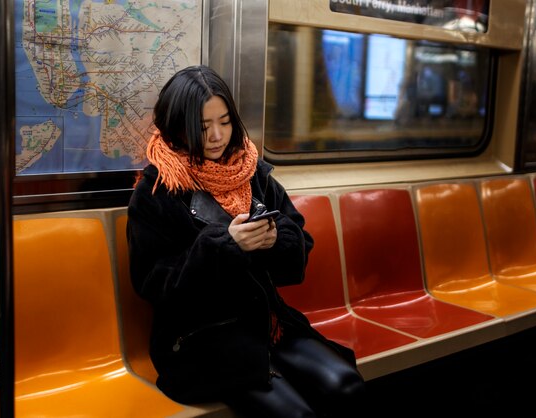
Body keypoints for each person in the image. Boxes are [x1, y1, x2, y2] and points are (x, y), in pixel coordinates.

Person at [126, 65, 365, 417]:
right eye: (203, 126)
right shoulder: (156, 190)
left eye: (224, 122)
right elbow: (153, 283)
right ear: (177, 125)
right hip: (200, 335)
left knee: (348, 386)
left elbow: (299, 240)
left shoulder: (251, 172)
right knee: (296, 414)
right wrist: (223, 247)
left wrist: (274, 240)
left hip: (267, 320)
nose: (217, 136)